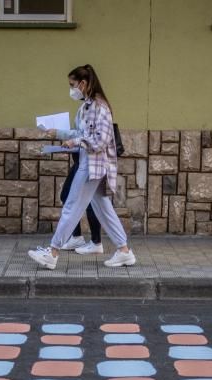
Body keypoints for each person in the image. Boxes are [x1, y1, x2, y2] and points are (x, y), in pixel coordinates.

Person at [28, 64, 136, 270]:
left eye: (72, 85)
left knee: (72, 206)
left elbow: (101, 140)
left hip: (93, 166)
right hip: (90, 163)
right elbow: (81, 133)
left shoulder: (100, 108)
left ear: (83, 83)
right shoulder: (86, 107)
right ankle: (124, 251)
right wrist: (59, 133)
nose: (71, 89)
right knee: (103, 208)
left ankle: (52, 252)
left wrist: (76, 142)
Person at [58, 150, 103, 254]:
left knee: (92, 202)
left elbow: (93, 142)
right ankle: (76, 237)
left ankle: (96, 243)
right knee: (66, 195)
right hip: (80, 162)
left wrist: (74, 143)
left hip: (89, 164)